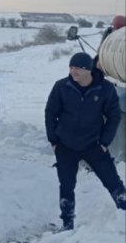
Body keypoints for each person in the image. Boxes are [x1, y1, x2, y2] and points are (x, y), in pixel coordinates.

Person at [45, 51, 126, 229]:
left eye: (78, 68)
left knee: (113, 182)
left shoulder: (105, 88)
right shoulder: (62, 86)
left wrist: (104, 143)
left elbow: (114, 116)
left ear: (88, 70)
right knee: (66, 187)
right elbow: (50, 113)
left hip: (94, 146)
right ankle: (67, 223)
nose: (73, 72)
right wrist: (54, 141)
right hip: (66, 146)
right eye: (71, 67)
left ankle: (124, 213)